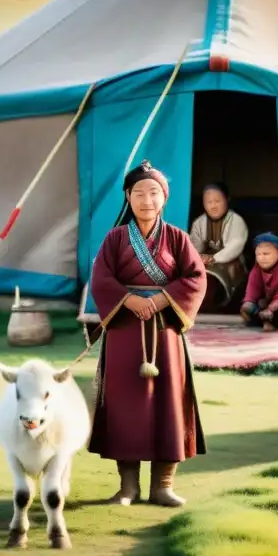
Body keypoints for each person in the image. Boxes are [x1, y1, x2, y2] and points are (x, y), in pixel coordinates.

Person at [87, 160, 208, 508]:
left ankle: (162, 486)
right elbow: (101, 277)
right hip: (125, 330)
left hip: (165, 330)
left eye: (153, 192)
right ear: (128, 196)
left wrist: (159, 299)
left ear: (164, 198)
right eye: (139, 193)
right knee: (125, 406)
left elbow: (196, 277)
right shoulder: (114, 239)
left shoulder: (177, 238)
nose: (146, 200)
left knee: (168, 404)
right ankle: (128, 488)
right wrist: (127, 300)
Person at [188, 182, 249, 312]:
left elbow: (235, 246)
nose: (213, 206)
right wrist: (198, 258)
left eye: (217, 201)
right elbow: (194, 247)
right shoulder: (199, 223)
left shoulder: (236, 220)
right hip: (206, 265)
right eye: (208, 202)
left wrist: (213, 258)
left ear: (227, 200)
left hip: (229, 264)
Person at [240, 232, 278, 331]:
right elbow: (251, 293)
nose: (262, 257)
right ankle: (263, 321)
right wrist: (249, 304)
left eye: (266, 254)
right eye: (258, 254)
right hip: (263, 307)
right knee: (247, 307)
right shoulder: (255, 272)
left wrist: (272, 308)